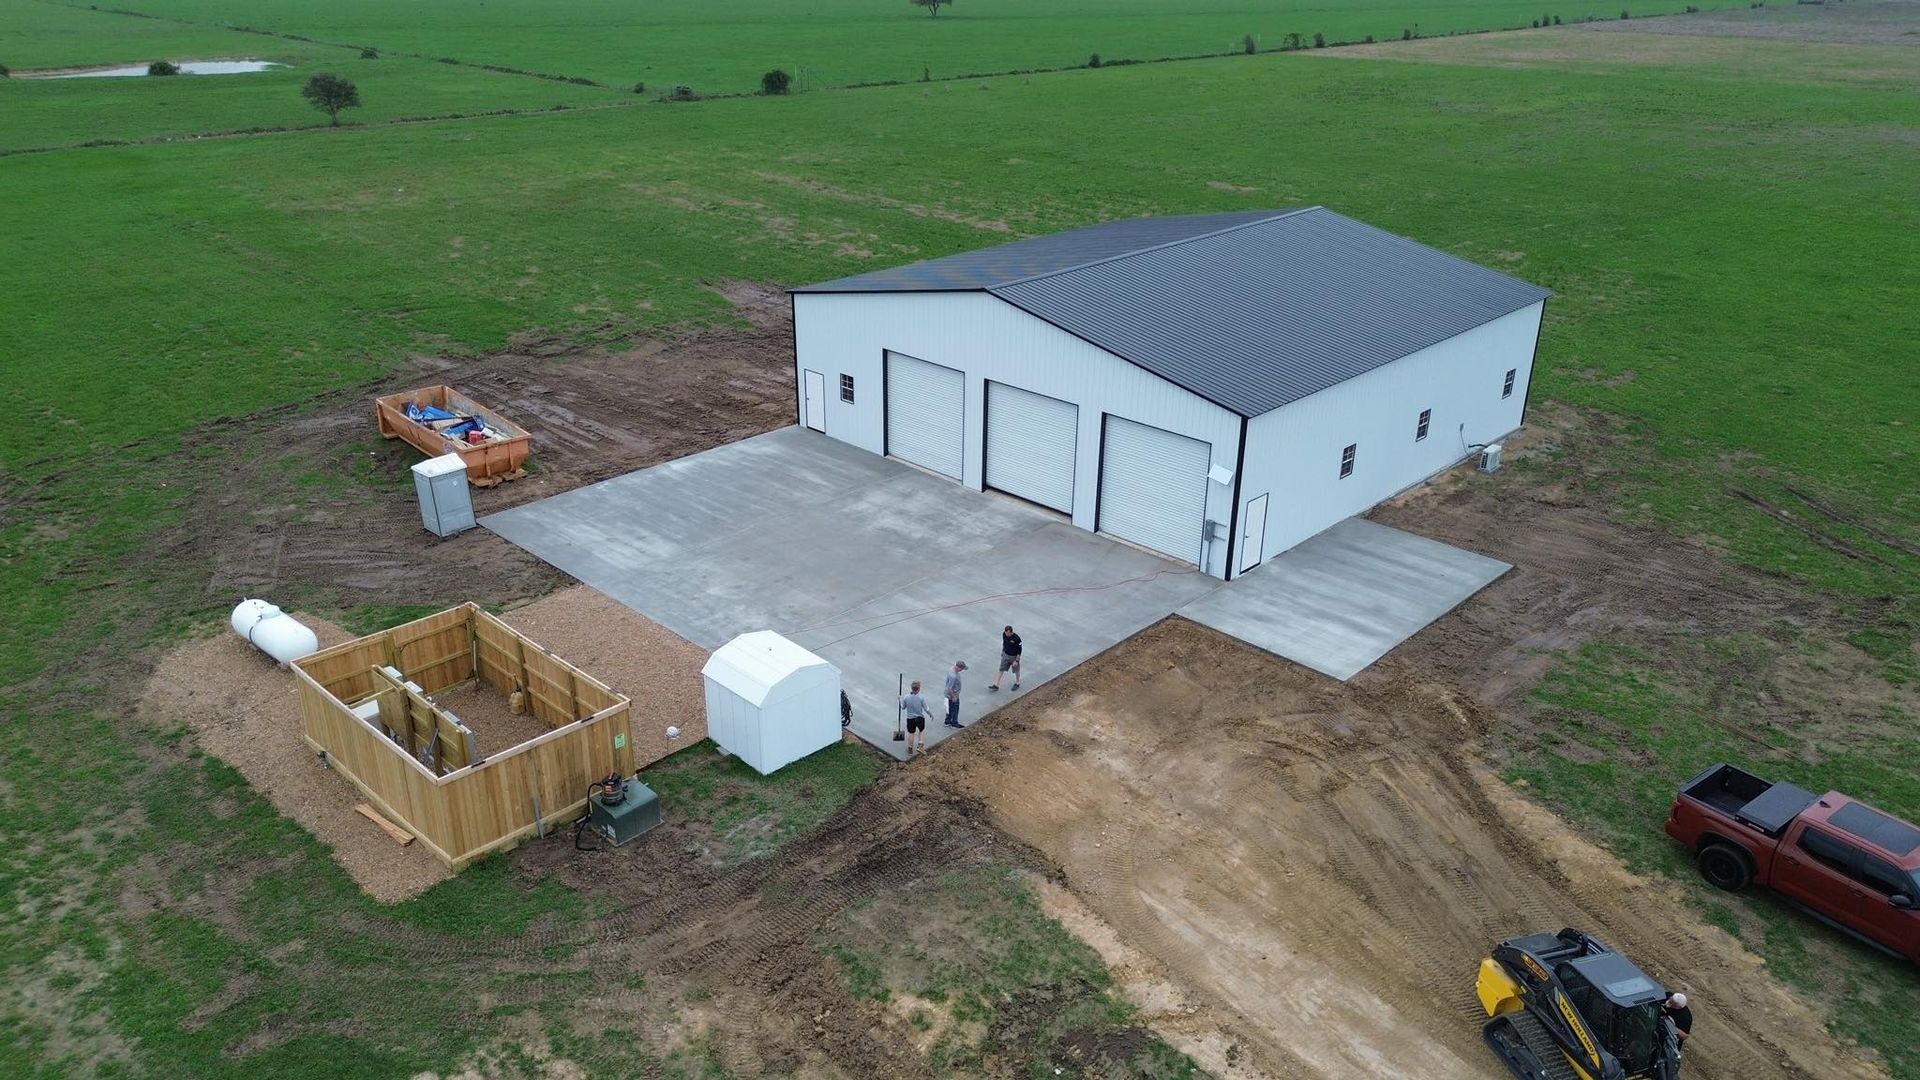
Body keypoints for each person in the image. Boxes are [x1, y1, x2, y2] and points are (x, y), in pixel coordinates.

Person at [988, 625, 1023, 692]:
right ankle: (996, 685)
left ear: (1011, 632)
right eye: (1005, 633)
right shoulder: (1004, 634)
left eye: (1008, 633)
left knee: (1016, 671)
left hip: (1014, 656)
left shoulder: (1017, 638)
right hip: (1005, 655)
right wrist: (1003, 651)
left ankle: (1017, 683)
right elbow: (1004, 643)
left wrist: (1016, 660)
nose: (1006, 634)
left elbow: (1020, 650)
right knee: (1001, 669)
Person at [900, 680, 931, 754]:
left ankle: (910, 749)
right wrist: (930, 714)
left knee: (911, 733)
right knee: (922, 730)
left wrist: (899, 700)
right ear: (919, 688)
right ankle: (920, 745)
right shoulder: (921, 697)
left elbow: (903, 707)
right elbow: (926, 708)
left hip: (910, 718)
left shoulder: (906, 697)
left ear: (911, 688)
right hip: (919, 718)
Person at [943, 660, 968, 729]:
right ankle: (954, 724)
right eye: (962, 669)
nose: (962, 670)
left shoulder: (951, 669)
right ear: (958, 668)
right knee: (955, 709)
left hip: (950, 694)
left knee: (950, 708)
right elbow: (949, 688)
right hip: (952, 695)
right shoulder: (953, 676)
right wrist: (954, 697)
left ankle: (947, 722)